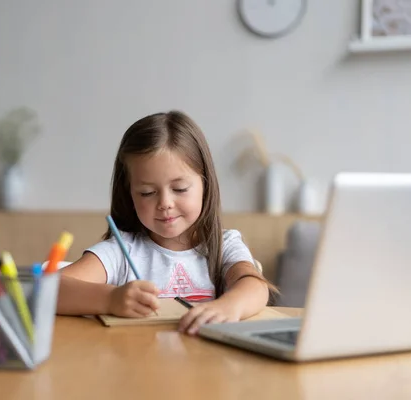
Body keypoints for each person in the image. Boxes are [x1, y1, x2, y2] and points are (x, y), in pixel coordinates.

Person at [56, 110, 277, 335]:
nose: (165, 203)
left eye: (180, 189)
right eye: (147, 192)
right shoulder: (121, 251)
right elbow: (49, 290)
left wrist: (230, 306)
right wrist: (111, 298)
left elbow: (256, 287)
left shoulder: (224, 244)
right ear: (129, 194)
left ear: (205, 185)